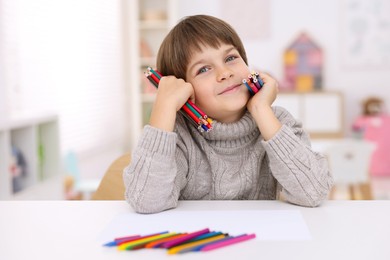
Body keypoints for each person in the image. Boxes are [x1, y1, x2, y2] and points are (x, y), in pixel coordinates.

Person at [123, 15, 333, 214]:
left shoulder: (277, 123)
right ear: (184, 90)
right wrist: (164, 107)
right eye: (204, 69)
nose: (225, 73)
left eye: (231, 58)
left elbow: (313, 192)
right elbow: (145, 201)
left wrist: (261, 109)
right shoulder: (179, 135)